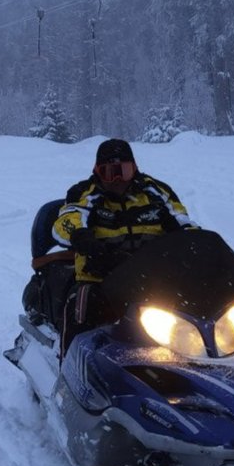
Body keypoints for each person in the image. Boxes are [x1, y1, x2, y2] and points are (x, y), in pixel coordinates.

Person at [52, 138, 196, 354]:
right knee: (80, 309)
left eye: (124, 171)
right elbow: (66, 220)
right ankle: (68, 364)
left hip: (154, 278)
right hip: (100, 278)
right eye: (109, 172)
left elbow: (183, 222)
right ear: (97, 171)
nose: (117, 179)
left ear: (134, 167)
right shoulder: (85, 192)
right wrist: (81, 237)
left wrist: (195, 243)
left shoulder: (156, 192)